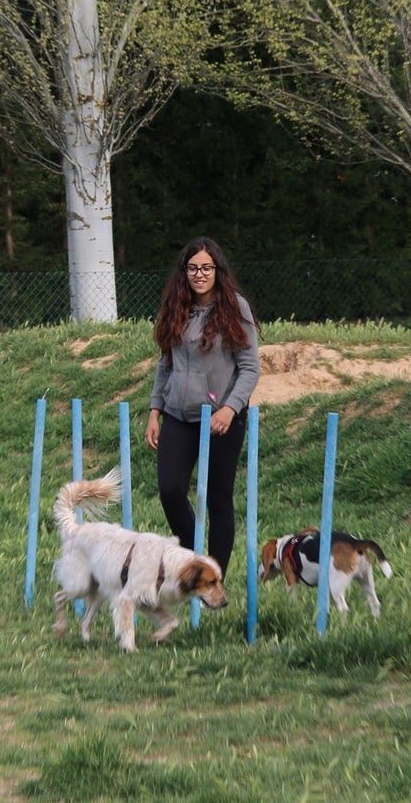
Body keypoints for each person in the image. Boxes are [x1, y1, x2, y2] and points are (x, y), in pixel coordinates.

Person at [146, 236, 260, 577]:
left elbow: (250, 367)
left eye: (206, 268)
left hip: (221, 419)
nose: (199, 274)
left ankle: (215, 578)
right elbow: (165, 364)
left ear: (217, 270)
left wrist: (230, 409)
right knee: (170, 489)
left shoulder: (235, 307)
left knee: (218, 499)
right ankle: (193, 561)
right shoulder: (175, 307)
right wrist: (155, 411)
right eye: (193, 268)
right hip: (178, 416)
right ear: (184, 272)